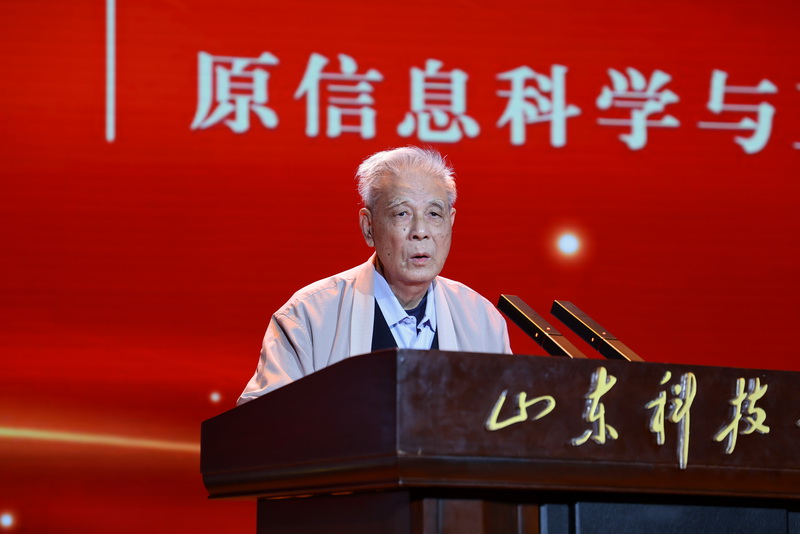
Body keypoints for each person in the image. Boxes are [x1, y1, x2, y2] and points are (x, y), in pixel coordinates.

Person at [237, 146, 511, 404]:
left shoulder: (481, 320)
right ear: (368, 227)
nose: (420, 231)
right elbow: (260, 422)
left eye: (433, 214)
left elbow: (510, 421)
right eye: (402, 213)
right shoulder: (309, 315)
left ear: (451, 222)